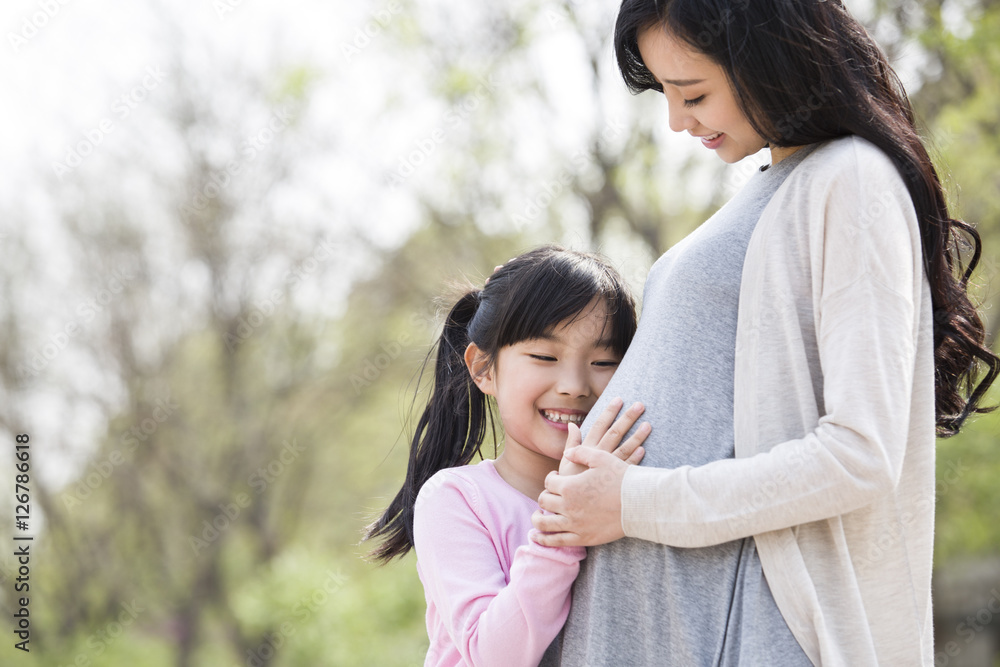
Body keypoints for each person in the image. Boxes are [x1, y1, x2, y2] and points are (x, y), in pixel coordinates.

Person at [530, 1, 1000, 665]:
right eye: (664, 94)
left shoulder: (852, 178)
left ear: (766, 60)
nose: (675, 119)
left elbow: (859, 453)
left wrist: (633, 501)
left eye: (693, 93)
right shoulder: (774, 187)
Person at [364, 245, 652, 666]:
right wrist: (561, 524)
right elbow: (496, 655)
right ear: (483, 367)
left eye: (603, 360)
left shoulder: (631, 487)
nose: (574, 385)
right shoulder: (456, 499)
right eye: (544, 356)